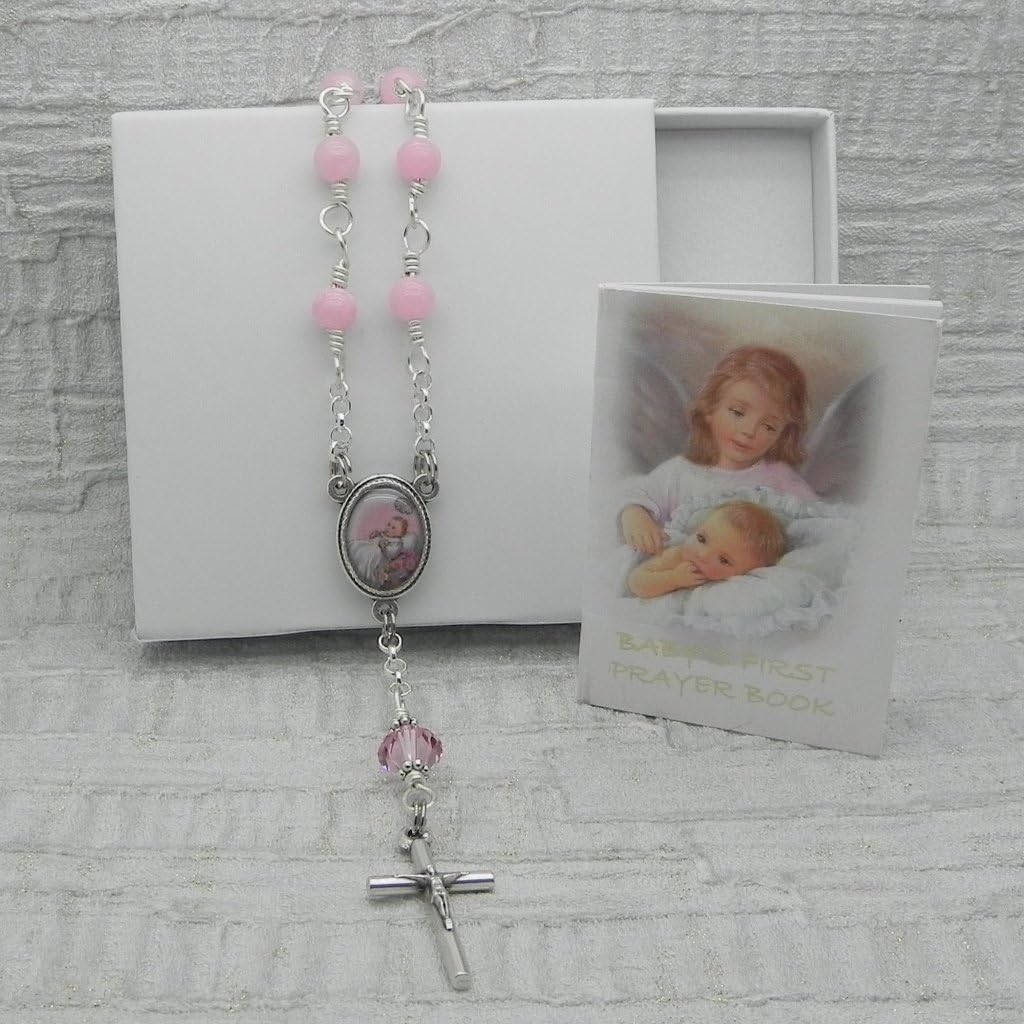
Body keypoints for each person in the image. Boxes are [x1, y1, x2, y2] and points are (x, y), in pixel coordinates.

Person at [620, 346, 816, 557]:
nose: (749, 431)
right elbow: (636, 497)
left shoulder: (780, 479)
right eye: (738, 413)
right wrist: (635, 516)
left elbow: (818, 524)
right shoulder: (681, 472)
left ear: (783, 434)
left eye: (768, 426)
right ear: (710, 409)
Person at [627, 501, 786, 599]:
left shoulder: (733, 588)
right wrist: (672, 578)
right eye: (701, 539)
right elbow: (635, 582)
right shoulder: (677, 556)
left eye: (723, 560)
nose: (702, 555)